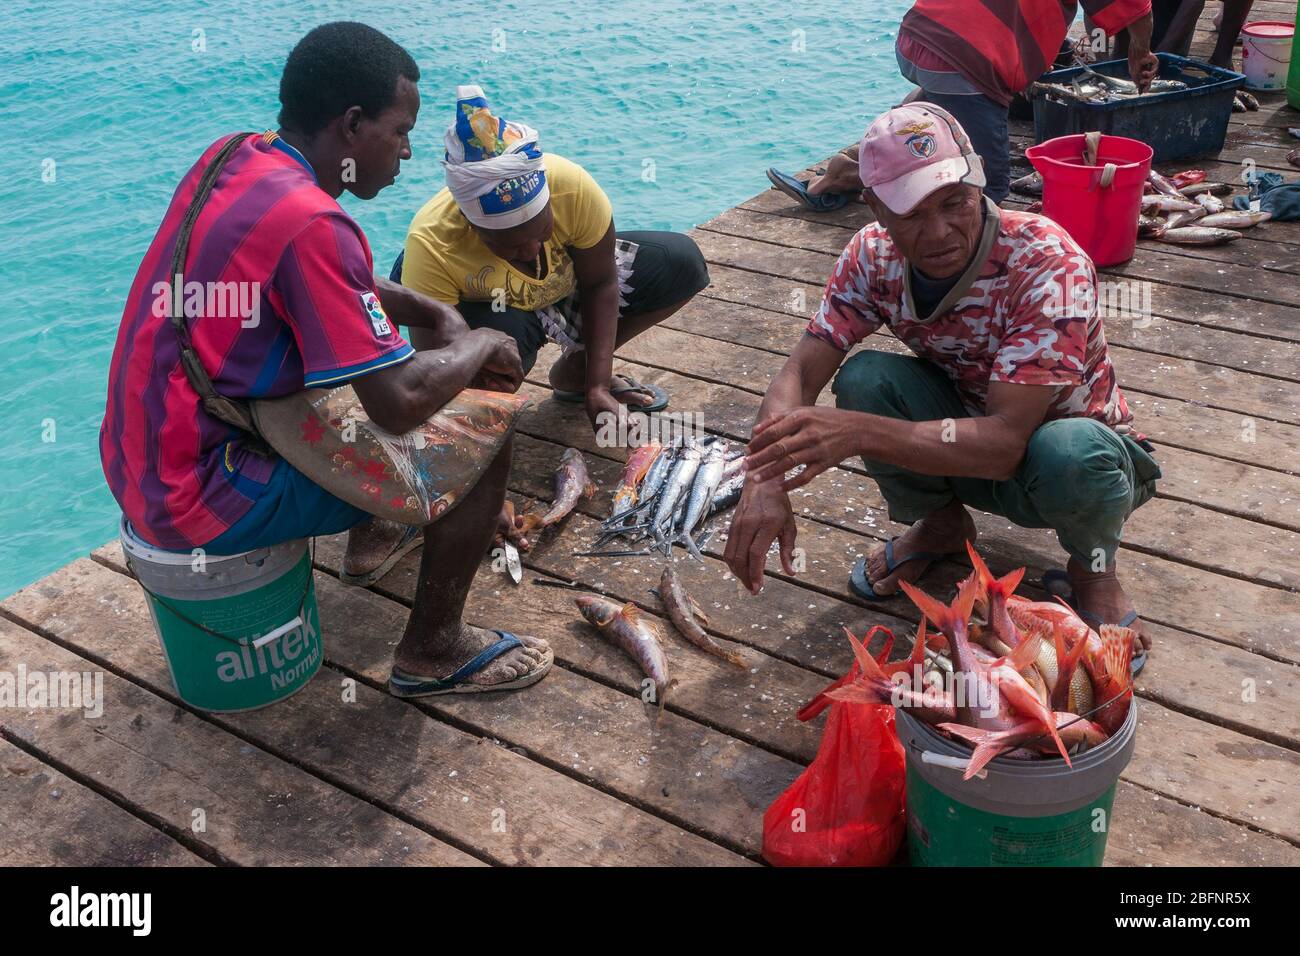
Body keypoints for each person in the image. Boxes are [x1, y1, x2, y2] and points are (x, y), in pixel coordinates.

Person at [99, 22, 552, 698]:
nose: (405, 153)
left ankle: (374, 534)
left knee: (343, 373)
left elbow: (333, 277)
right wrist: (481, 341)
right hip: (201, 495)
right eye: (399, 132)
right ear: (351, 126)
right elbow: (396, 401)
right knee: (486, 431)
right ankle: (433, 650)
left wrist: (434, 312)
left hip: (144, 460)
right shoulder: (314, 222)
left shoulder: (237, 157)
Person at [727, 104, 1159, 665]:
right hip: (961, 441)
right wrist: (764, 478)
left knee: (1071, 449)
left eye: (954, 202)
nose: (939, 232)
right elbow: (800, 371)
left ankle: (1092, 569)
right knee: (866, 378)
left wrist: (856, 433)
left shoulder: (1047, 262)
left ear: (978, 182)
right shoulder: (870, 256)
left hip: (1077, 464)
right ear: (876, 207)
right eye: (911, 213)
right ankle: (941, 525)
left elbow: (1007, 443)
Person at [394, 86, 711, 431]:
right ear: (473, 227)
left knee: (680, 262)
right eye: (512, 247)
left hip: (565, 284)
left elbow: (601, 281)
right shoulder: (431, 244)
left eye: (542, 232)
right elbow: (439, 362)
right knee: (485, 370)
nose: (531, 251)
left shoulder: (572, 186)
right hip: (495, 311)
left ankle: (578, 370)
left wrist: (598, 385)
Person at [767, 1, 1158, 209]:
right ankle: (851, 175)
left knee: (941, 106)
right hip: (962, 58)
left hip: (919, 36)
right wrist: (1141, 49)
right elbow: (1135, 8)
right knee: (990, 188)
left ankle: (857, 159)